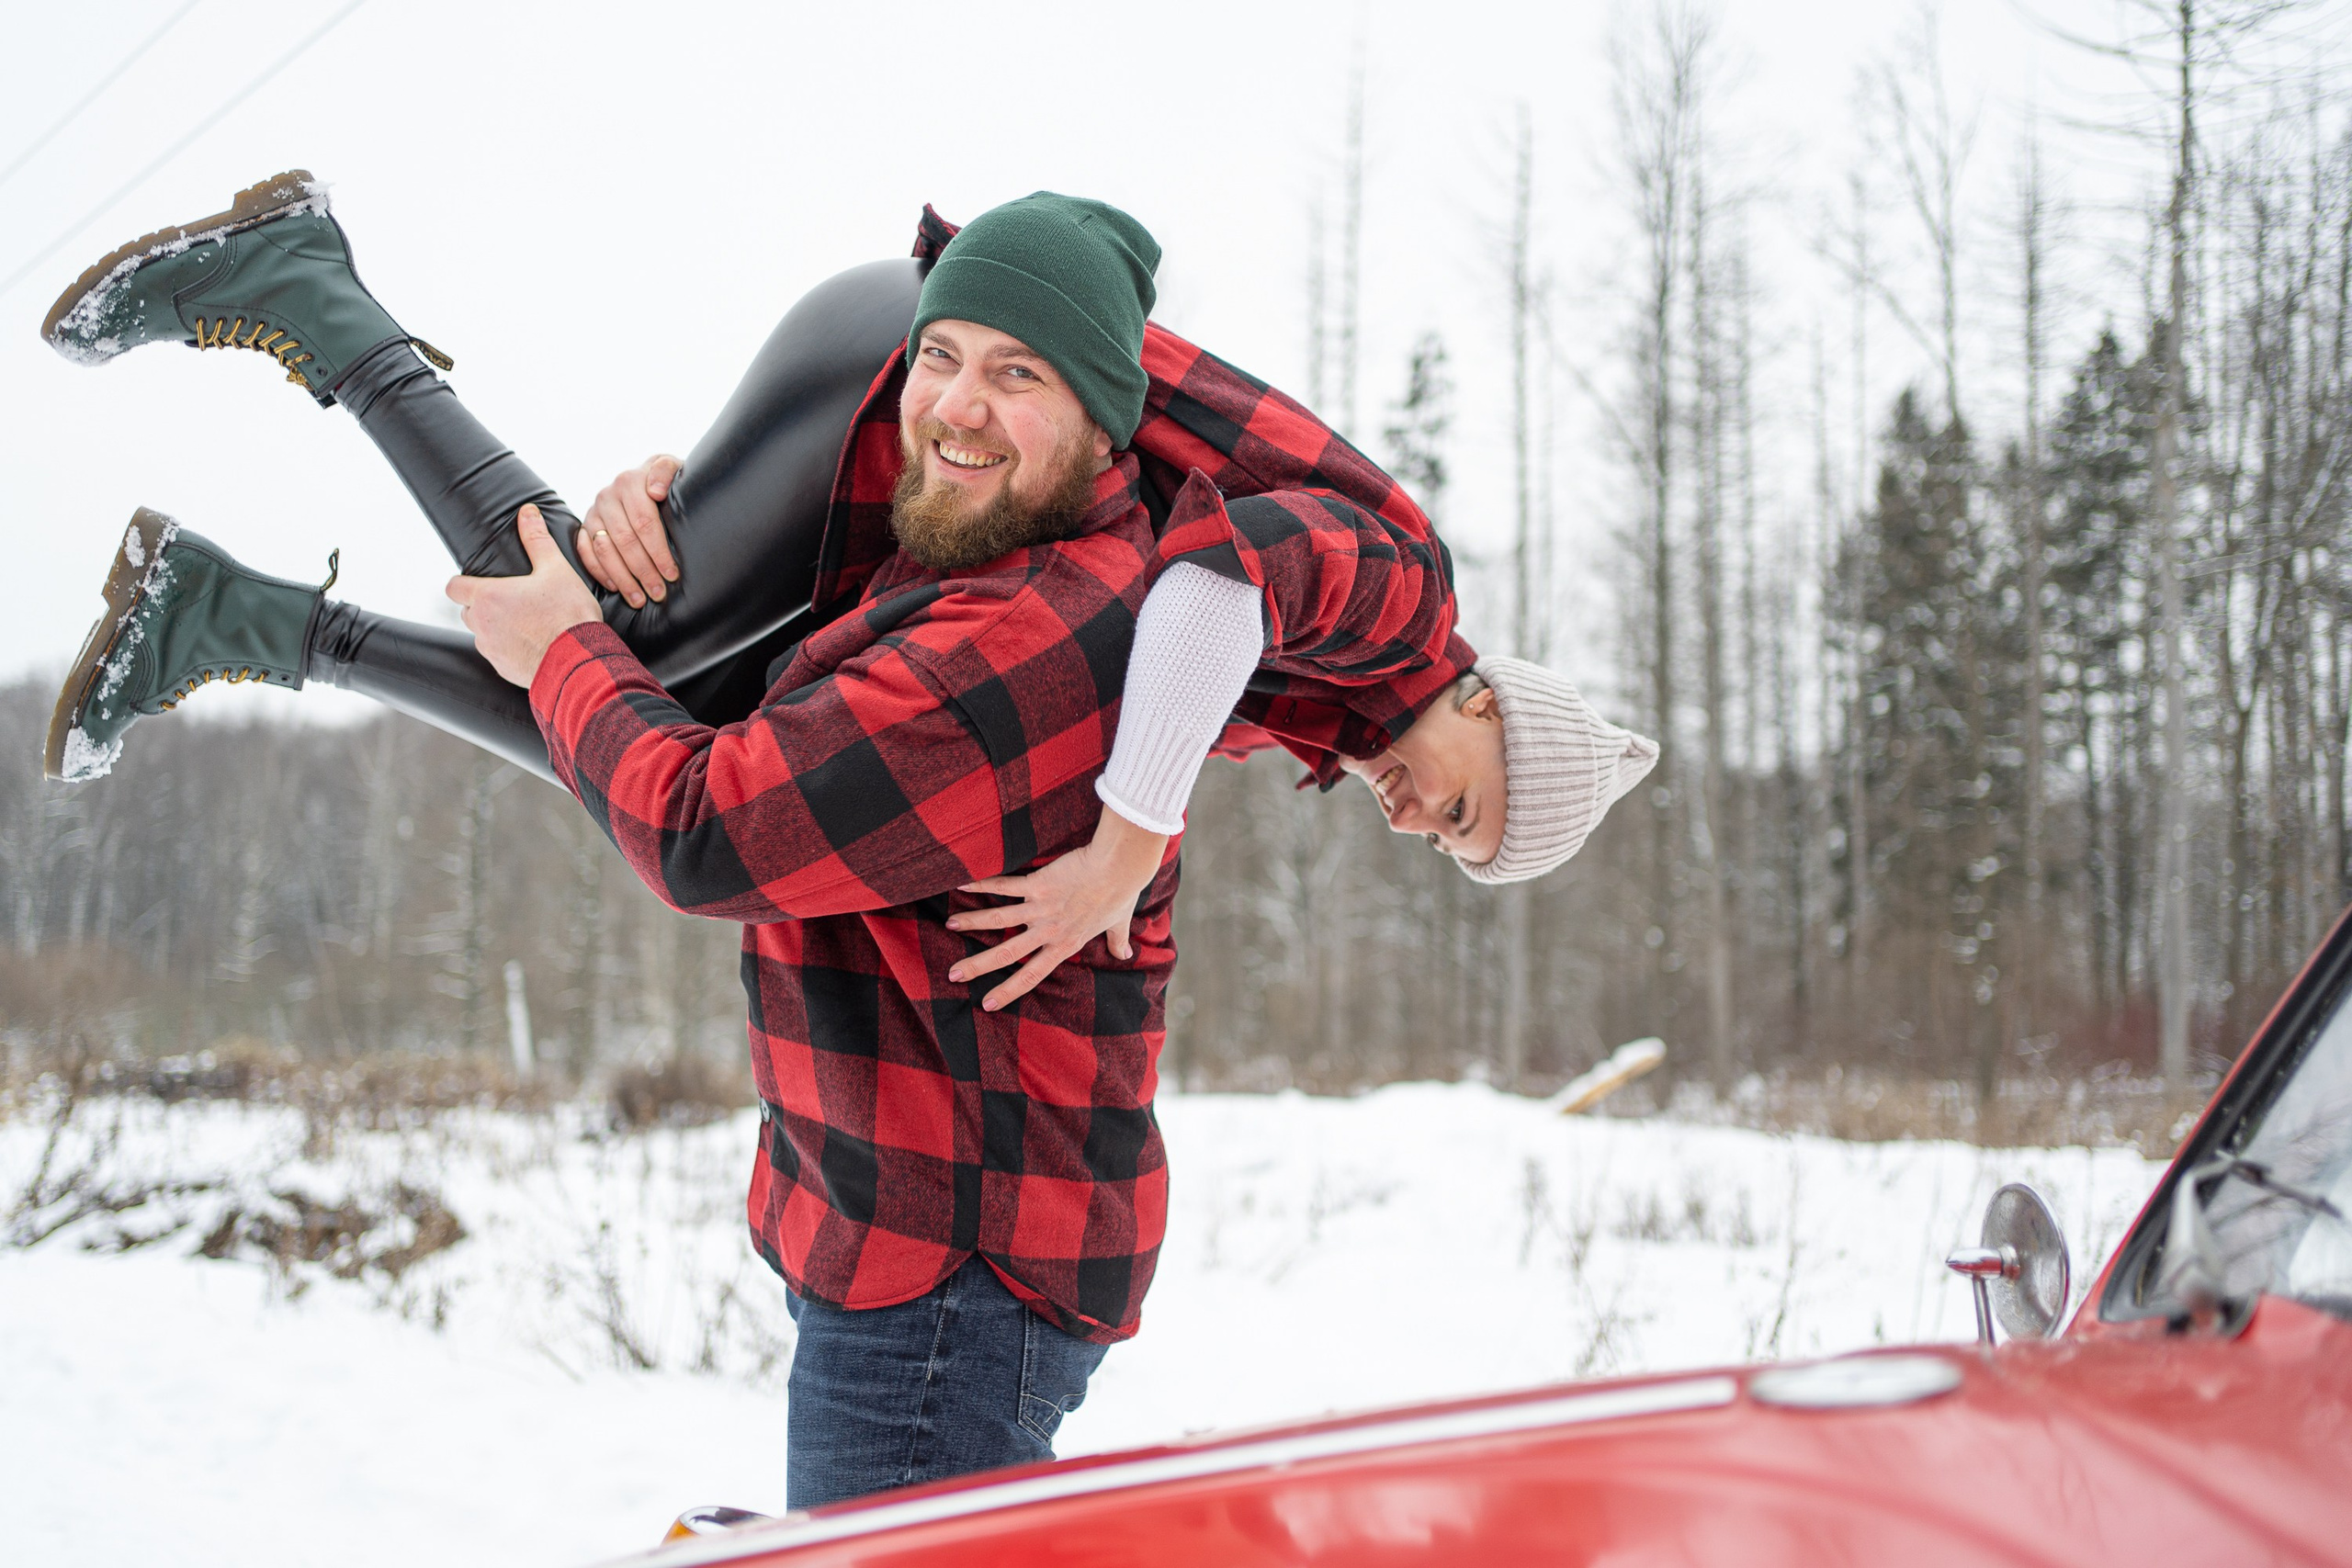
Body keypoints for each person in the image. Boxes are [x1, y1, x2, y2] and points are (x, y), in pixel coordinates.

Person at [39, 175, 1657, 1506]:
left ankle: (241, 615)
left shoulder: (1295, 704)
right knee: (624, 670)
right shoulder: (1397, 606)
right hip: (910, 358)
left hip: (914, 381)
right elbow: (1206, 587)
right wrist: (1118, 847)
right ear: (1500, 712)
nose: (1423, 821)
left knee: (642, 688)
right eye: (1468, 810)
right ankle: (312, 325)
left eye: (1445, 850)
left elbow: (1109, 647)